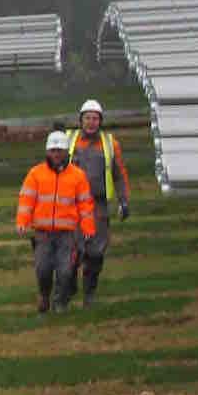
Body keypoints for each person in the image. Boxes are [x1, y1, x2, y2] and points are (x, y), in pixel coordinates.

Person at [16, 130, 96, 313]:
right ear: (47, 152)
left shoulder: (78, 176)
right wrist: (22, 220)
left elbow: (85, 204)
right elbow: (26, 199)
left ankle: (60, 303)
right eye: (52, 150)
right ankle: (44, 295)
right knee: (43, 270)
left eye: (59, 150)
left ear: (67, 152)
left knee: (65, 271)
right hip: (42, 234)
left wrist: (88, 228)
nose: (56, 154)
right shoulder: (35, 174)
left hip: (67, 234)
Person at [67, 99, 132, 307]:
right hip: (72, 206)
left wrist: (124, 201)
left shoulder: (111, 144)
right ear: (80, 120)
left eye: (95, 119)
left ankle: (89, 294)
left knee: (95, 252)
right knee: (72, 251)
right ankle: (69, 286)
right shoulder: (69, 140)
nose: (91, 122)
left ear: (101, 121)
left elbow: (120, 175)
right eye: (87, 118)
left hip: (99, 206)